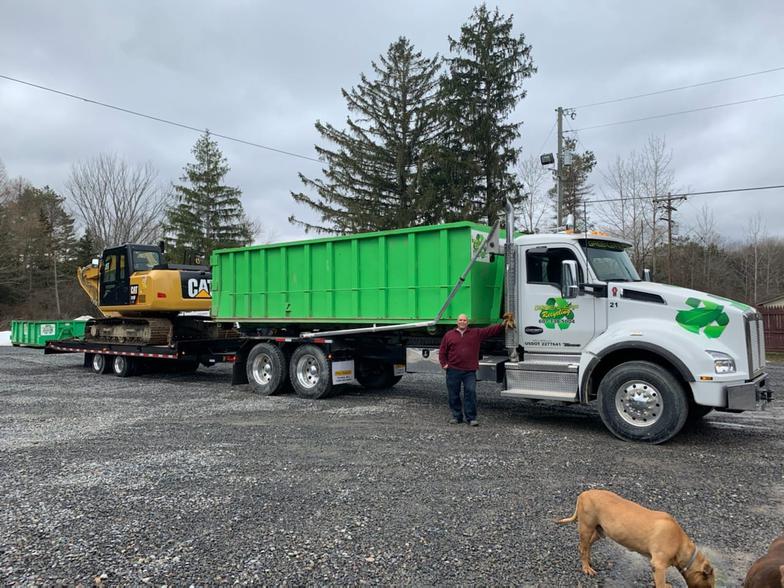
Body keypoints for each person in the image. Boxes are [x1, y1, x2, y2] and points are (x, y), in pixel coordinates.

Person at [438, 312, 514, 426]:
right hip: (453, 370)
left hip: (469, 371)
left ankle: (471, 418)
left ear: (467, 322)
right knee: (453, 394)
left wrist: (502, 325)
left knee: (471, 392)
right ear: (457, 322)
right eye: (460, 320)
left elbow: (489, 331)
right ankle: (457, 416)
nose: (462, 322)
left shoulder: (475, 333)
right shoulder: (449, 335)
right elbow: (442, 351)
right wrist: (444, 364)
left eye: (464, 320)